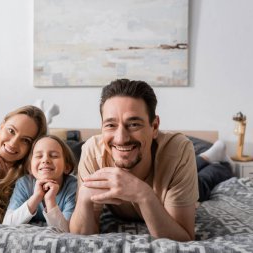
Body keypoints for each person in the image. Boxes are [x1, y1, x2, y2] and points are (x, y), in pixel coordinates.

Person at [70, 79, 198, 241]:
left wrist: (143, 194)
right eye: (110, 125)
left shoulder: (179, 151)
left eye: (134, 124)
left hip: (175, 176)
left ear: (155, 127)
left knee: (208, 180)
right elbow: (79, 238)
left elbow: (184, 239)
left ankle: (211, 158)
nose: (121, 138)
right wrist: (83, 198)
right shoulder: (93, 152)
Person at [3, 135, 77, 232]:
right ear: (30, 167)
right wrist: (36, 197)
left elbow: (66, 231)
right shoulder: (24, 184)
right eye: (39, 156)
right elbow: (7, 224)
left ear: (66, 167)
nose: (45, 160)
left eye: (54, 156)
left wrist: (50, 200)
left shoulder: (73, 186)